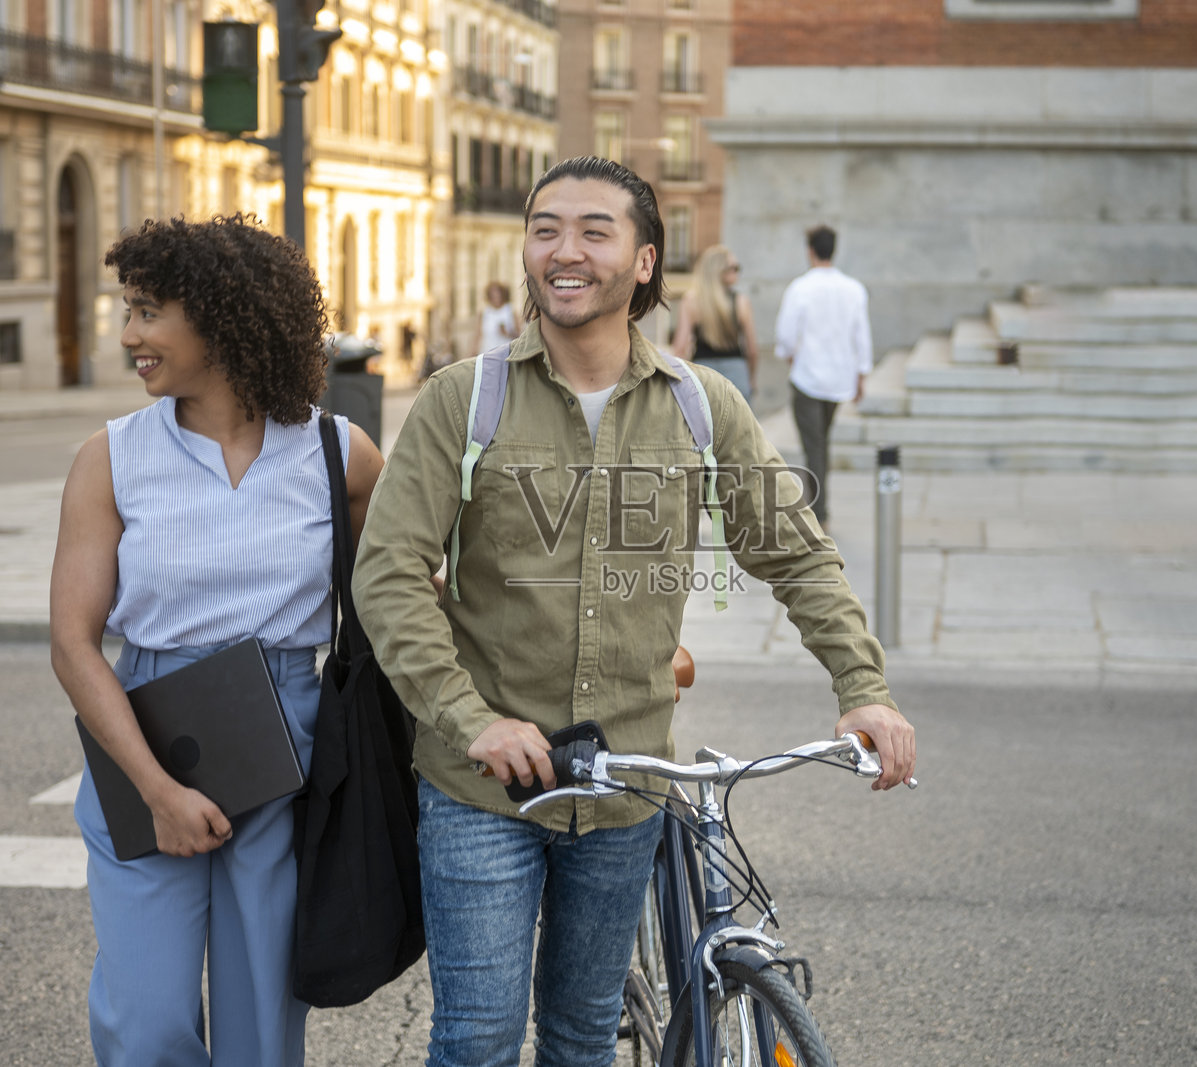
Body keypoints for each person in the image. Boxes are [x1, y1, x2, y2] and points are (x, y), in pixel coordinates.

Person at [351, 156, 915, 1067]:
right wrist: (471, 719)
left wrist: (864, 687)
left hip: (626, 790)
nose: (563, 251)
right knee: (478, 1038)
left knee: (583, 1039)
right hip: (482, 787)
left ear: (645, 261)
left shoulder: (700, 405)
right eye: (545, 229)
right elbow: (388, 572)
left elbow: (797, 553)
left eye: (593, 231)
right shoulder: (467, 397)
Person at [49, 214, 384, 1066]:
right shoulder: (111, 458)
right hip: (146, 737)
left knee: (262, 1033)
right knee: (145, 1023)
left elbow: (407, 597)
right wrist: (156, 788)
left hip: (288, 748)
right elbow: (73, 643)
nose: (130, 336)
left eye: (148, 312)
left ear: (222, 317)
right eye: (128, 310)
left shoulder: (338, 454)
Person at [774, 224, 872, 529]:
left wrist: (790, 355)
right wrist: (861, 375)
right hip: (839, 379)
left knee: (814, 446)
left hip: (808, 378)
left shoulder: (800, 288)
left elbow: (785, 334)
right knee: (820, 443)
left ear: (810, 251)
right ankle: (819, 509)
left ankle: (819, 513)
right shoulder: (854, 289)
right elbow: (862, 335)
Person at [671, 244, 759, 401]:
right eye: (734, 268)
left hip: (702, 375)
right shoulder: (741, 302)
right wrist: (751, 379)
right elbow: (752, 350)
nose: (738, 272)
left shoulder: (691, 302)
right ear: (718, 270)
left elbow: (680, 348)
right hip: (737, 374)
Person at [477, 280, 519, 355]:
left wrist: (507, 333)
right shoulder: (484, 312)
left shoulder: (510, 310)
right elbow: (478, 336)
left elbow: (519, 336)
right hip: (487, 353)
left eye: (498, 294)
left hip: (506, 354)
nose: (496, 297)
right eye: (493, 295)